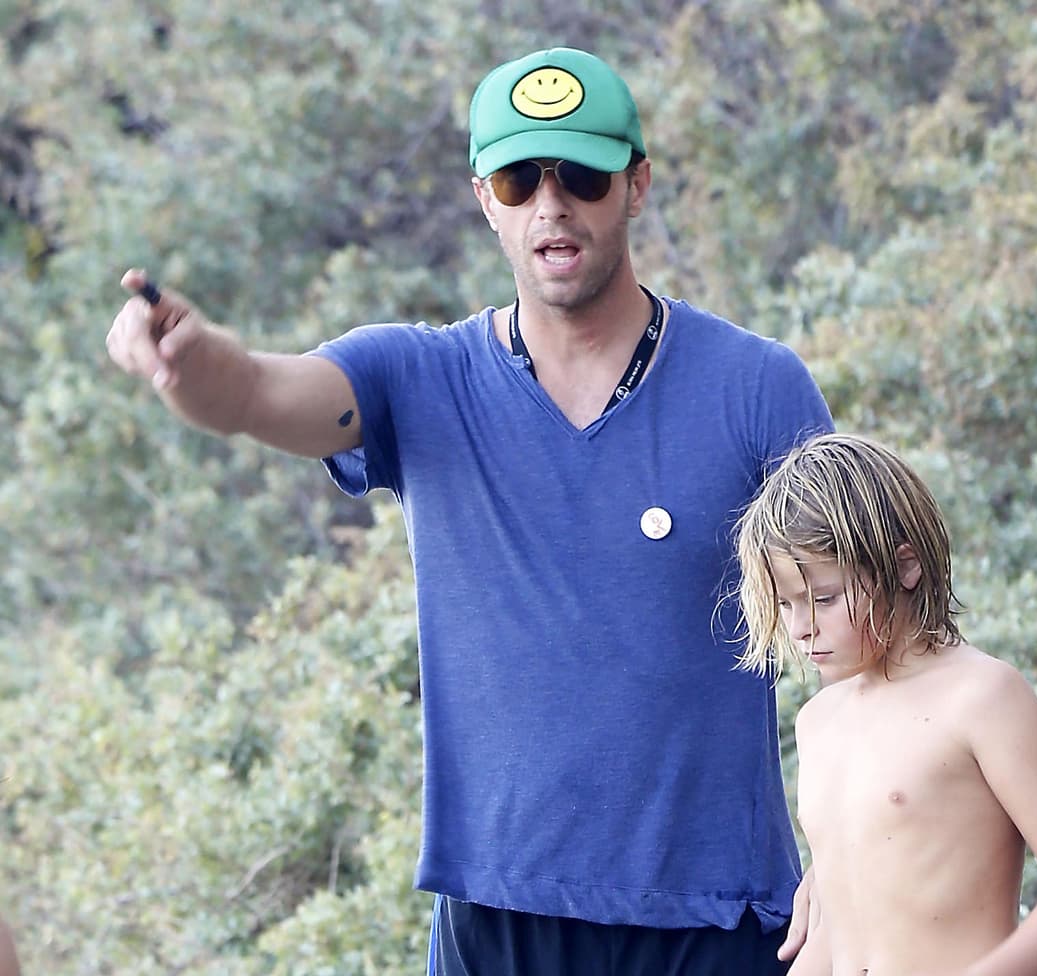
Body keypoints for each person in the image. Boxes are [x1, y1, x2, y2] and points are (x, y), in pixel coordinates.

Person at [105, 46, 833, 975]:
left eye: (582, 175)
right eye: (520, 179)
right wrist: (187, 359)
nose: (551, 204)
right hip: (497, 923)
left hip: (720, 922)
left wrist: (847, 851)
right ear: (485, 198)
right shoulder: (417, 377)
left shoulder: (757, 387)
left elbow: (868, 643)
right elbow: (253, 393)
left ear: (637, 185)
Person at [734, 433, 1037, 976]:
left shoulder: (983, 697)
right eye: (786, 604)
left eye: (823, 598)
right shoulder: (818, 721)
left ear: (906, 566)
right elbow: (846, 921)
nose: (801, 627)